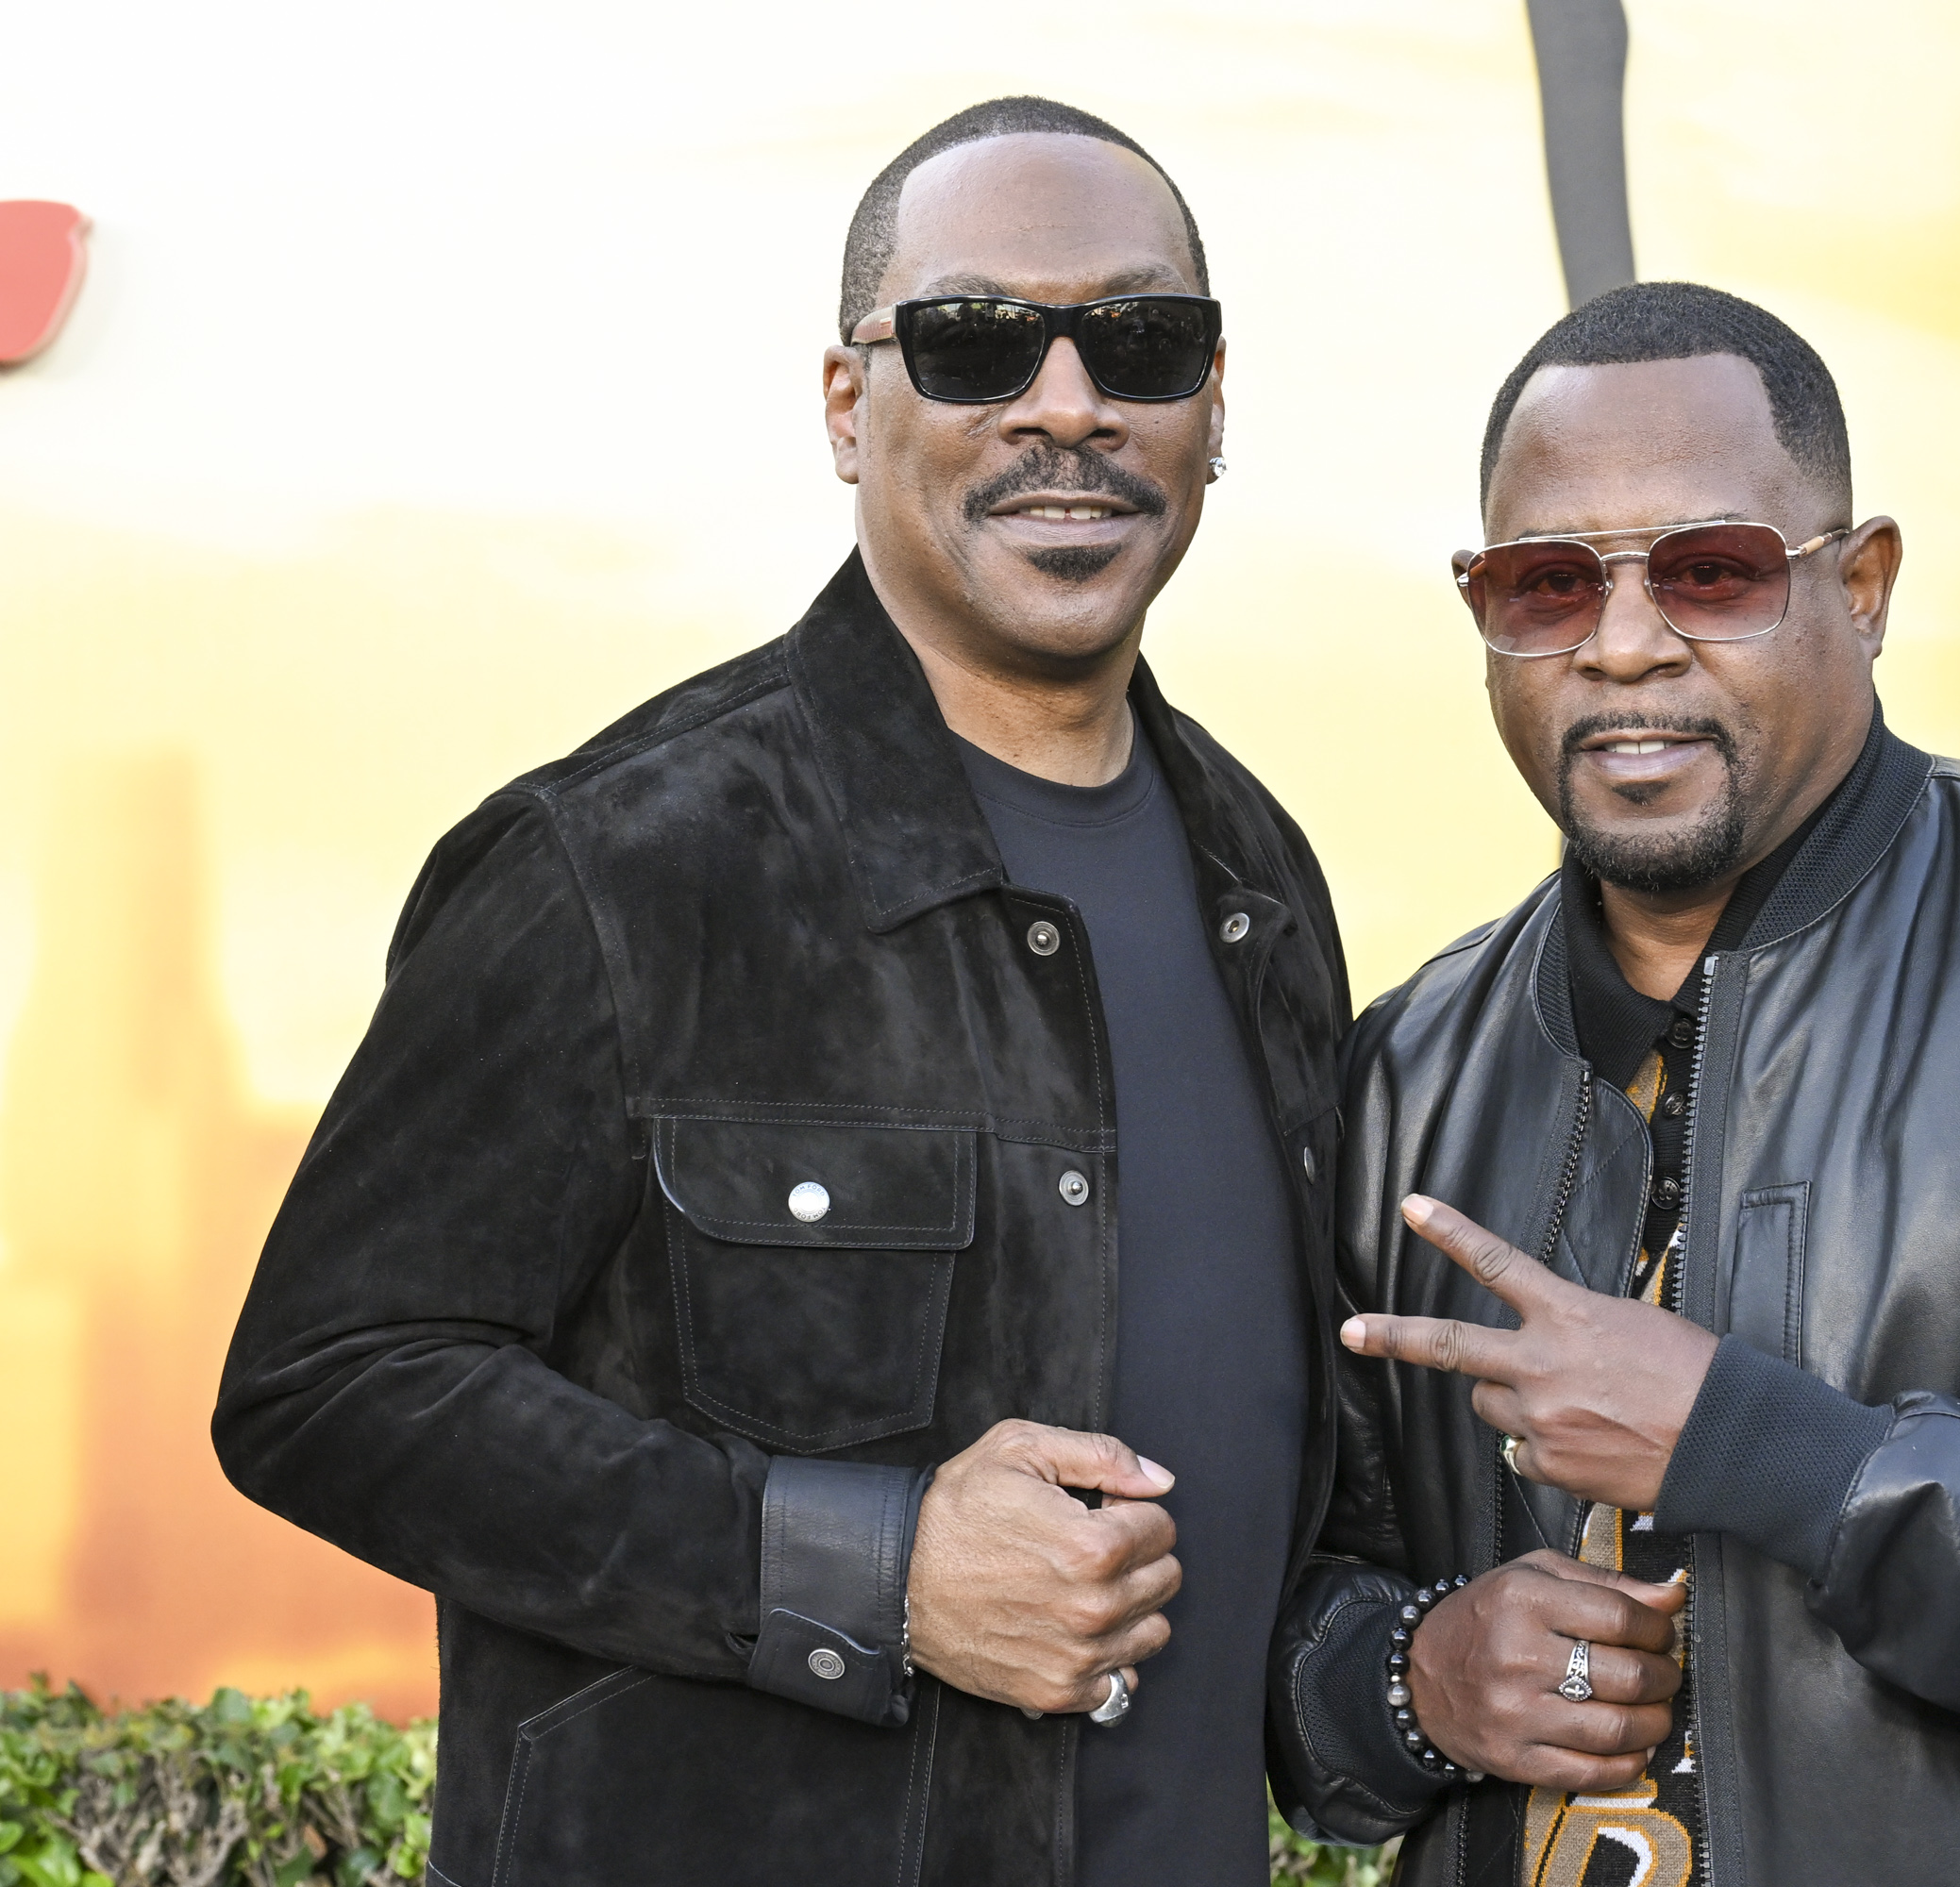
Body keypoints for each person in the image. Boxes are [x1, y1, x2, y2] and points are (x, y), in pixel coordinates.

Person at [214, 96, 1349, 1887]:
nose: (1067, 405)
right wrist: (873, 1576)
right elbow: (330, 1383)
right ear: (848, 405)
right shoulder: (619, 863)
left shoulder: (1262, 889)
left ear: (1215, 404)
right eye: (978, 343)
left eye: (1139, 342)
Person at [1269, 282, 1960, 1887]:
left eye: (1710, 571)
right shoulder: (1410, 1063)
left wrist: (1769, 1452)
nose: (1622, 643)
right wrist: (1412, 1679)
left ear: (1861, 587)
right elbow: (1289, 1604)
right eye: (1545, 585)